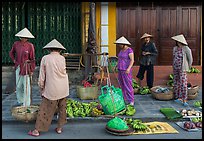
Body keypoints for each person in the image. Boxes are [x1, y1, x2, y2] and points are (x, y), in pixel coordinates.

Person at [28, 39, 69, 137]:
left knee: (45, 109)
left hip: (52, 88)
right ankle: (59, 128)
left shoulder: (45, 58)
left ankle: (37, 130)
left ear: (49, 49)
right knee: (62, 108)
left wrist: (41, 87)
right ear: (59, 50)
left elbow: (42, 75)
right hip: (63, 87)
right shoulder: (62, 58)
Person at [9, 27, 36, 106]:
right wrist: (14, 60)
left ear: (27, 38)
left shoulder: (30, 46)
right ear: (20, 37)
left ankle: (26, 103)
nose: (24, 38)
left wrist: (32, 70)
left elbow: (32, 58)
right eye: (22, 37)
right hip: (18, 67)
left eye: (25, 37)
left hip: (27, 67)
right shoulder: (16, 44)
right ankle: (20, 101)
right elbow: (11, 53)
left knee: (26, 87)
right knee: (18, 86)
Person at [171, 34, 193, 106]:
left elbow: (190, 59)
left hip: (182, 68)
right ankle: (178, 97)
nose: (177, 42)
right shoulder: (175, 48)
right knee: (176, 82)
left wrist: (188, 67)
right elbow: (174, 57)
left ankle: (184, 99)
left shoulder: (186, 49)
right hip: (175, 68)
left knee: (183, 83)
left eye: (178, 41)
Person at [114, 36, 134, 106]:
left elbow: (132, 60)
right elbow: (119, 59)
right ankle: (124, 98)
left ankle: (131, 100)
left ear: (124, 44)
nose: (119, 45)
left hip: (126, 70)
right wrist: (116, 66)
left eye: (120, 44)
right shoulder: (121, 50)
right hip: (120, 69)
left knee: (128, 85)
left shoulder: (129, 50)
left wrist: (128, 68)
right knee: (121, 85)